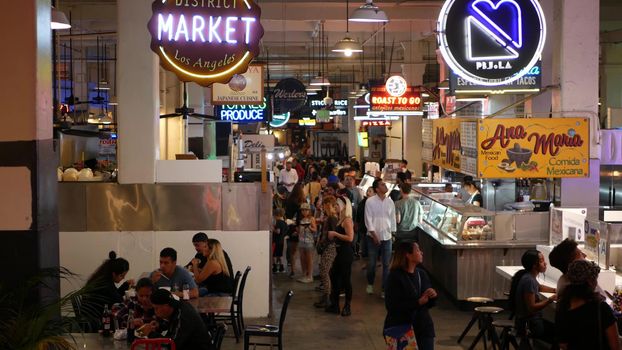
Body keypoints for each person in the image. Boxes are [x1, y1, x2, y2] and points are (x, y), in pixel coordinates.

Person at [555, 260, 620, 350]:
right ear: (590, 282)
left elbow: (563, 344)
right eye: (595, 279)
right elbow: (615, 347)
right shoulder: (601, 308)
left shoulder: (562, 306)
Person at [384, 241, 437, 350]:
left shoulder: (421, 274)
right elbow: (392, 306)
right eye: (417, 250)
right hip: (402, 327)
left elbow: (430, 303)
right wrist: (417, 302)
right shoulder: (395, 277)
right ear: (408, 255)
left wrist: (432, 295)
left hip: (423, 327)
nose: (421, 252)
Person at [509, 249, 557, 344]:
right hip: (530, 325)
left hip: (525, 322)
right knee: (560, 336)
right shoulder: (529, 280)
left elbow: (539, 287)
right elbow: (532, 308)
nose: (545, 263)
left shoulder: (527, 276)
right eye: (542, 261)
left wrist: (555, 290)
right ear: (534, 265)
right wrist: (550, 300)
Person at [140, 289, 211, 350]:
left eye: (156, 308)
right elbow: (175, 326)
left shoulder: (184, 315)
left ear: (166, 306)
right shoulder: (177, 306)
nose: (155, 312)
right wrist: (160, 326)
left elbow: (172, 344)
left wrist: (150, 334)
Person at [364, 178, 396, 297]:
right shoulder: (370, 201)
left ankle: (384, 289)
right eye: (382, 185)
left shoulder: (390, 202)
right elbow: (368, 219)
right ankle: (370, 283)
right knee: (372, 263)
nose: (385, 186)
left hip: (386, 237)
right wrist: (374, 234)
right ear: (377, 189)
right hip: (372, 237)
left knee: (386, 264)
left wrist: (392, 234)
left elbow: (392, 219)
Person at [84, 251, 134, 327]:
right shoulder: (106, 284)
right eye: (121, 275)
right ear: (114, 274)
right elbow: (118, 300)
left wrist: (126, 285)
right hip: (97, 319)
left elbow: (114, 294)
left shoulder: (103, 279)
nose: (123, 278)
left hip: (92, 315)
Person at [325, 196, 355, 316]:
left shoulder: (347, 220)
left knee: (345, 279)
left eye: (337, 205)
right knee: (334, 276)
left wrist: (335, 233)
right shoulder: (340, 219)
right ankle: (335, 304)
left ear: (343, 206)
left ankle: (347, 306)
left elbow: (350, 238)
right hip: (340, 252)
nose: (335, 207)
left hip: (345, 252)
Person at [314, 195, 339, 309]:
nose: (323, 208)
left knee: (324, 272)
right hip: (327, 247)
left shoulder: (332, 218)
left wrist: (323, 244)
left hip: (329, 248)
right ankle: (326, 296)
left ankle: (327, 297)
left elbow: (333, 235)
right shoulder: (330, 217)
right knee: (324, 271)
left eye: (324, 205)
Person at [284, 183, 305, 277]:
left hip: (289, 226)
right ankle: (304, 271)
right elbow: (301, 217)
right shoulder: (300, 203)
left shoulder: (289, 200)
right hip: (299, 227)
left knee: (291, 250)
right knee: (301, 250)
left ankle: (292, 269)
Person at [297, 202, 317, 283]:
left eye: (306, 210)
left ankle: (310, 276)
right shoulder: (301, 219)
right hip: (301, 241)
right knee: (302, 259)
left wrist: (309, 227)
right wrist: (297, 231)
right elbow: (300, 230)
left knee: (309, 259)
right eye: (302, 210)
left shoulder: (311, 219)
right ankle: (304, 274)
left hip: (309, 241)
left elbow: (315, 229)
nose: (304, 212)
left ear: (309, 210)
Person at [272, 208, 288, 274]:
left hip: (276, 241)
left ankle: (275, 268)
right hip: (281, 241)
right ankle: (282, 268)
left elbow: (278, 231)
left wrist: (273, 229)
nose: (274, 217)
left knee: (274, 255)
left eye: (274, 216)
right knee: (280, 255)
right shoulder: (284, 222)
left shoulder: (278, 222)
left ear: (277, 215)